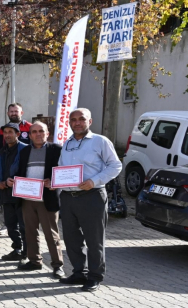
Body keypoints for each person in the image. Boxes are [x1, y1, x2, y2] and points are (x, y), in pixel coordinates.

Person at [56, 108, 122, 292]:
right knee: (71, 239)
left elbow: (116, 165)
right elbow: (62, 168)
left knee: (94, 240)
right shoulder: (67, 143)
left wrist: (94, 181)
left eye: (81, 119)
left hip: (92, 197)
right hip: (69, 198)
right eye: (73, 119)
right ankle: (79, 272)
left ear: (89, 121)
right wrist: (55, 182)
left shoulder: (100, 141)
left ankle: (94, 277)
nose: (77, 122)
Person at [8, 121, 64, 277]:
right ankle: (34, 261)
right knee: (30, 232)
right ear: (30, 134)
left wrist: (53, 181)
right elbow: (20, 170)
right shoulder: (25, 151)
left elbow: (63, 172)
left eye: (41, 131)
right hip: (28, 199)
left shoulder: (57, 150)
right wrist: (13, 180)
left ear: (47, 133)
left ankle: (57, 265)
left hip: (48, 198)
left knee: (51, 233)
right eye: (34, 131)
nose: (38, 134)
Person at [0, 123, 27, 262]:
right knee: (10, 225)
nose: (7, 135)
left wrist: (14, 180)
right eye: (5, 133)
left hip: (21, 195)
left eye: (10, 132)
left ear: (18, 134)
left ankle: (27, 252)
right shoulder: (1, 152)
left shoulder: (26, 150)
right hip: (6, 194)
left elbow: (27, 171)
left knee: (24, 226)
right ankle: (17, 248)